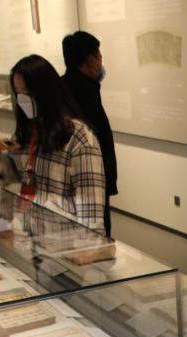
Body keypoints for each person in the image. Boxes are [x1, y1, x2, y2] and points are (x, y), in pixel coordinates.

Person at [0, 55, 106, 233]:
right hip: (33, 235)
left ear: (46, 92)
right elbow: (16, 174)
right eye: (17, 92)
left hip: (65, 238)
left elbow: (91, 208)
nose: (22, 99)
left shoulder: (79, 138)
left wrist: (89, 248)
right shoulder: (29, 131)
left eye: (27, 93)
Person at [62, 31, 117, 237]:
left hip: (78, 180)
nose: (101, 60)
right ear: (90, 59)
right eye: (99, 55)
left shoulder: (67, 86)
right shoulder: (84, 91)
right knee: (94, 235)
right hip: (88, 179)